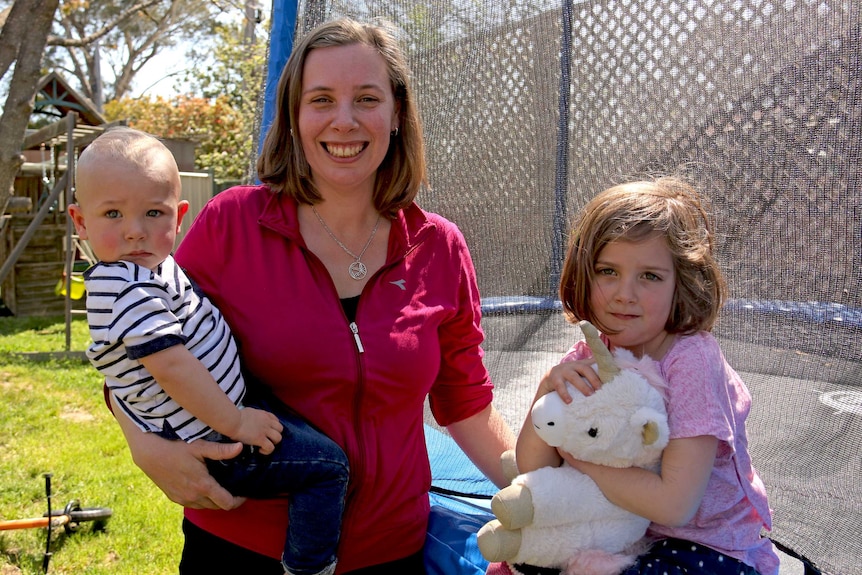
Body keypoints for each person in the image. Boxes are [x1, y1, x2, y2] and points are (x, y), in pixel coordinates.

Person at [105, 18, 516, 575]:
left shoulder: (439, 247)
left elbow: (466, 404)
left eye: (366, 99)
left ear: (396, 114)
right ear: (295, 118)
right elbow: (130, 347)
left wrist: (544, 500)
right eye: (321, 99)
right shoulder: (233, 224)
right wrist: (147, 449)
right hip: (241, 546)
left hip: (390, 552)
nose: (343, 121)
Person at [69, 127, 350, 575]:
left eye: (153, 213)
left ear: (179, 216)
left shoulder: (152, 269)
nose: (135, 231)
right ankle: (309, 567)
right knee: (327, 467)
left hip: (224, 415)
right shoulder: (126, 287)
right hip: (218, 439)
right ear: (80, 222)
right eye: (113, 214)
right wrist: (236, 421)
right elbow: (173, 368)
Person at [503, 177, 780, 575]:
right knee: (526, 556)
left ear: (680, 284)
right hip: (617, 531)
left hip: (706, 546)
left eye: (649, 276)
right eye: (607, 271)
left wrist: (581, 463)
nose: (624, 293)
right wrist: (545, 393)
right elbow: (534, 470)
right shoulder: (588, 355)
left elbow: (676, 505)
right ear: (583, 275)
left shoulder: (691, 361)